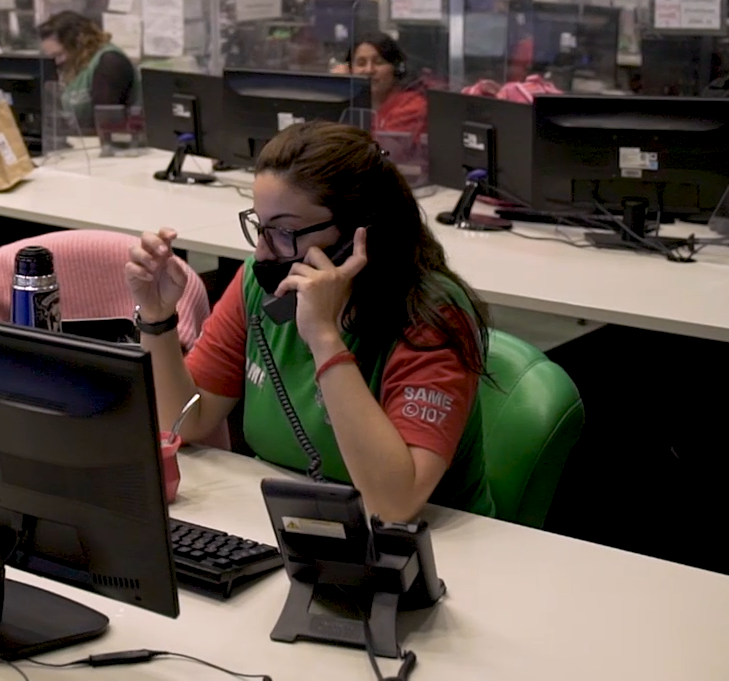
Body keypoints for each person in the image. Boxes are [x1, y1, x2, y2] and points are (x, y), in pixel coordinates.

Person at [127, 121, 493, 520]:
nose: (263, 253)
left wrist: (323, 337)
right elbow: (186, 420)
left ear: (358, 233)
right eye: (260, 227)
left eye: (284, 232)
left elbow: (394, 503)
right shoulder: (260, 283)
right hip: (301, 527)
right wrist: (158, 318)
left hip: (436, 554)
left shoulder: (432, 315)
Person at [39, 11, 137, 132]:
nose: (57, 62)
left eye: (60, 54)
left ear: (80, 42)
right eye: (52, 57)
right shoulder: (77, 66)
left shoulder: (109, 63)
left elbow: (106, 123)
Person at [335, 34, 428, 142]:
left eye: (378, 62)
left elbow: (388, 151)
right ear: (350, 70)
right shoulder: (349, 103)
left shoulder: (412, 106)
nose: (369, 70)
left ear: (397, 69)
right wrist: (338, 86)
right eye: (361, 63)